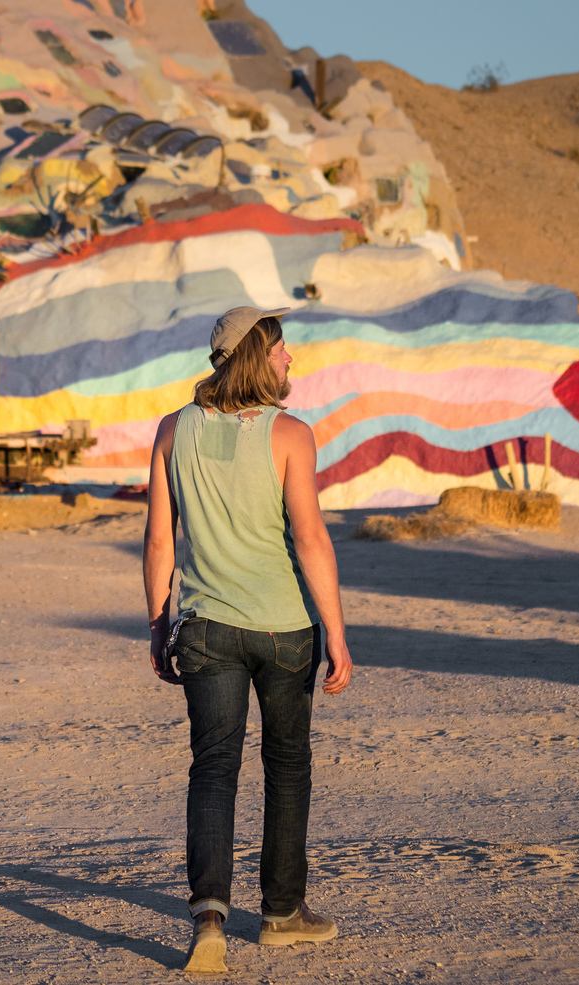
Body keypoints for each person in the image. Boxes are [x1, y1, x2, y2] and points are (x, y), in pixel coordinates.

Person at [143, 305, 354, 974]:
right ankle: (282, 913)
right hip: (284, 627)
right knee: (287, 765)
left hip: (205, 626)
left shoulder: (173, 430)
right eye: (282, 349)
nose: (291, 360)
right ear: (255, 358)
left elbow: (158, 539)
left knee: (213, 768)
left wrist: (158, 623)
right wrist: (339, 633)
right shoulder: (292, 434)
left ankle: (208, 917)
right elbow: (312, 538)